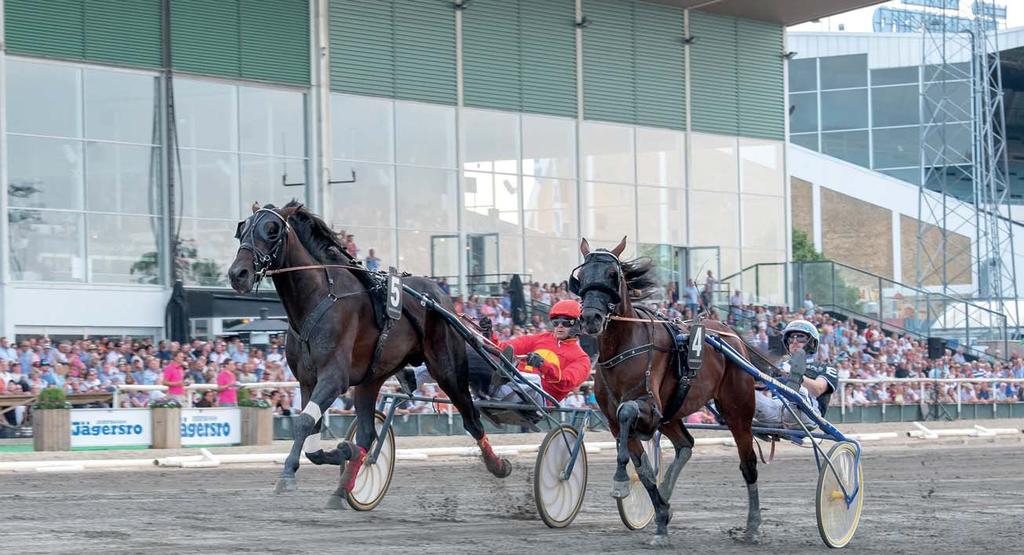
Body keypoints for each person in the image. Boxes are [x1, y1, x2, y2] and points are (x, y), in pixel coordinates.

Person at [480, 300, 591, 404]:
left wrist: (543, 365)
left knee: (535, 379)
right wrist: (489, 336)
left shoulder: (582, 359)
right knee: (483, 375)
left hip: (543, 399)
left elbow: (566, 382)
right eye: (556, 322)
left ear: (578, 325)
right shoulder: (541, 338)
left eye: (566, 322)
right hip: (514, 389)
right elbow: (502, 348)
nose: (559, 326)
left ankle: (510, 372)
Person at [753, 319, 838, 429]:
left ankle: (795, 381)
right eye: (791, 338)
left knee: (799, 391)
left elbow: (818, 389)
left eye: (800, 337)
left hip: (808, 413)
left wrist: (794, 376)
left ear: (812, 343)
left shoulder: (824, 368)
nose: (794, 341)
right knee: (746, 392)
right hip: (777, 411)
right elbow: (762, 387)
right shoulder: (779, 366)